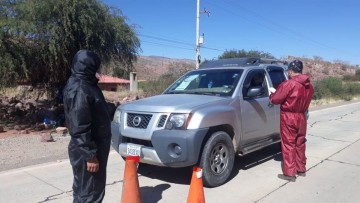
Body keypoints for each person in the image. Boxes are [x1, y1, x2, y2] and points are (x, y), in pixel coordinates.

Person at [63, 50, 111, 202]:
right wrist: (90, 155)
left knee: (82, 190)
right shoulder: (81, 88)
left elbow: (89, 111)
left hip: (86, 148)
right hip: (89, 149)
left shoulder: (83, 83)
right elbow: (79, 125)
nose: (98, 70)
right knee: (90, 193)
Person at [269, 60, 314, 182]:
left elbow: (276, 100)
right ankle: (301, 169)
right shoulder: (309, 85)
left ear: (290, 71)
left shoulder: (288, 84)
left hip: (289, 117)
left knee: (288, 144)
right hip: (301, 116)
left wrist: (272, 94)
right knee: (300, 143)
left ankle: (289, 173)